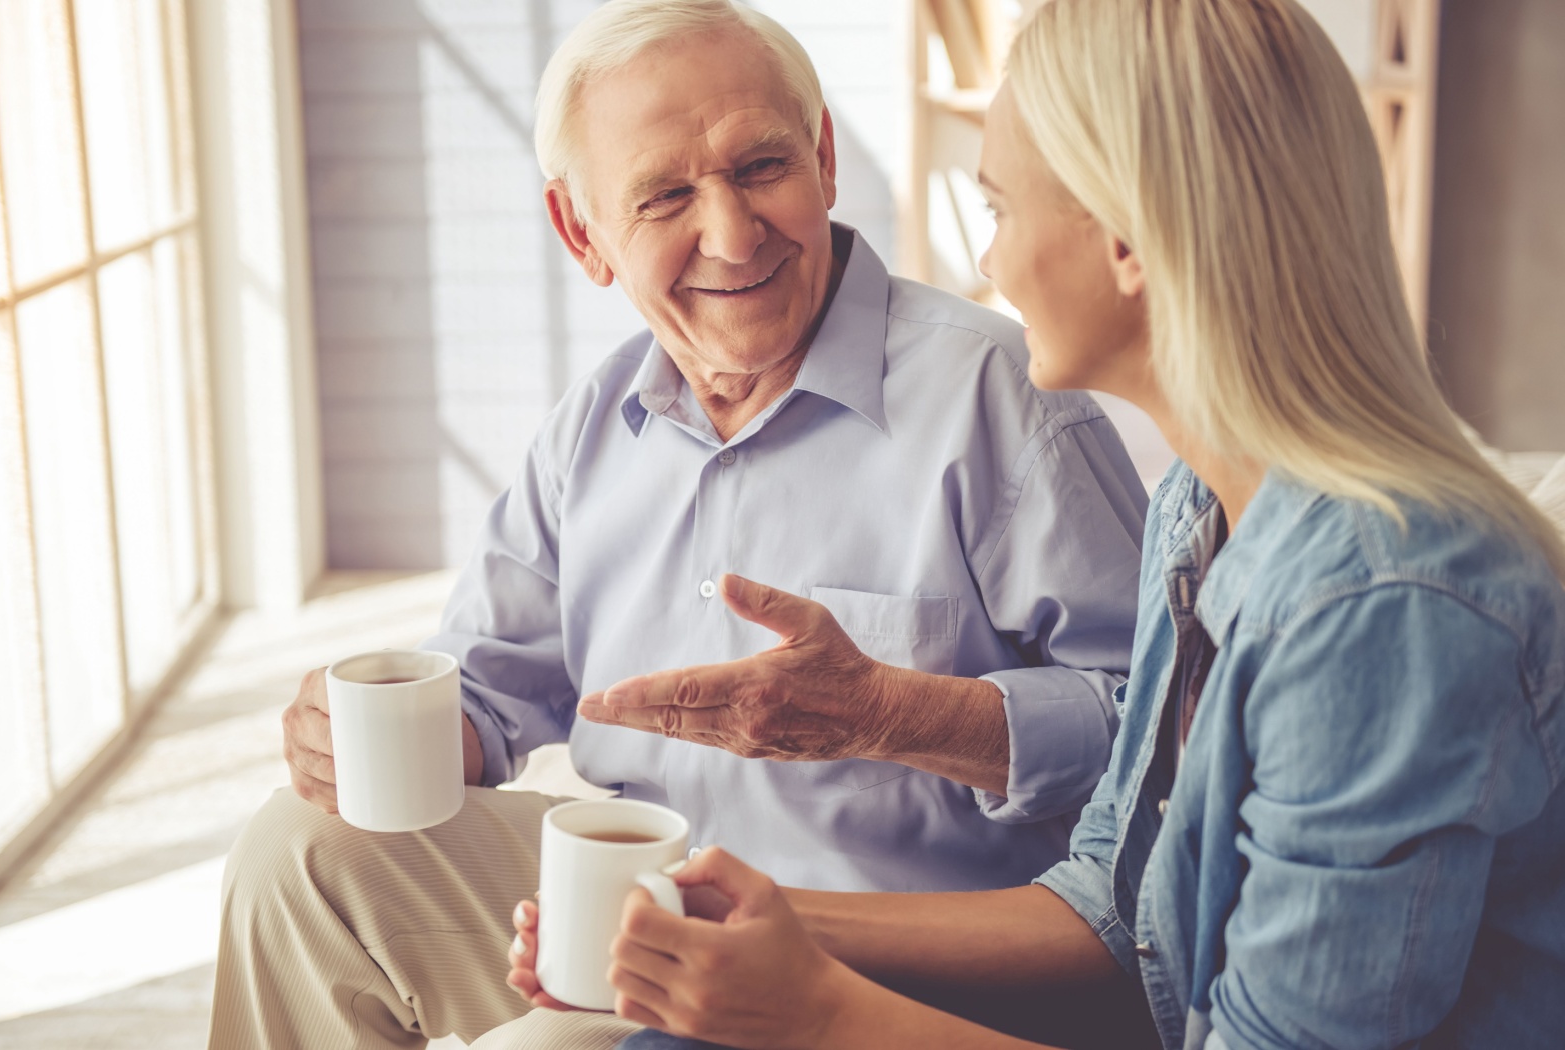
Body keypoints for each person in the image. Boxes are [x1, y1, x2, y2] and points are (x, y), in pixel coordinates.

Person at [503, 0, 1565, 1048]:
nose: (984, 267)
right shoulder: (1204, 511)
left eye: (999, 210)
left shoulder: (1380, 608)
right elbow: (1119, 904)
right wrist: (732, 923)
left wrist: (818, 1009)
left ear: (1124, 242)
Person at [205, 2, 1151, 1048]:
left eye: (759, 167)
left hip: (893, 959)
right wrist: (362, 741)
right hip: (634, 900)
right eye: (663, 196)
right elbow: (485, 690)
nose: (733, 233)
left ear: (824, 156)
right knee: (302, 849)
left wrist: (890, 715)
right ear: (583, 233)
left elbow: (1162, 735)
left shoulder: (1005, 396)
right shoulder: (593, 426)